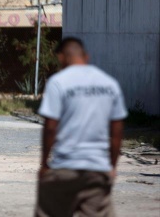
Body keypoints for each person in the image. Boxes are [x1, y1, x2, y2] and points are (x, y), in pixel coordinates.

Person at [35, 37, 128, 217]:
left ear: (61, 58)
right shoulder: (109, 84)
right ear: (86, 56)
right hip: (97, 171)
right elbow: (117, 132)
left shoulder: (58, 82)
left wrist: (45, 164)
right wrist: (112, 167)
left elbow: (50, 127)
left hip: (64, 169)